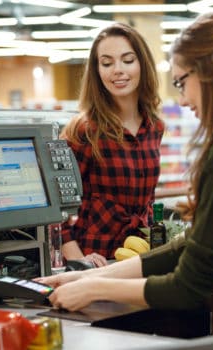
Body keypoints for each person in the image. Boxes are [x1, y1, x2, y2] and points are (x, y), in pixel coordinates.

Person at [37, 13, 213, 345]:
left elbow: (187, 285)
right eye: (106, 62)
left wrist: (94, 286)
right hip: (101, 252)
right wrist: (89, 273)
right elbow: (187, 248)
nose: (182, 100)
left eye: (182, 81)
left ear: (212, 74)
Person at [59, 22, 164, 267]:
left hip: (138, 257)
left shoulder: (155, 127)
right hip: (95, 260)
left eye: (127, 60)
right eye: (106, 63)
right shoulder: (84, 130)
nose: (117, 70)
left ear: (142, 65)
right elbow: (57, 212)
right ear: (97, 71)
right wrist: (79, 262)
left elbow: (146, 200)